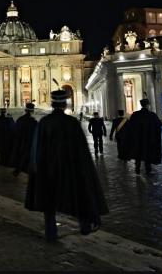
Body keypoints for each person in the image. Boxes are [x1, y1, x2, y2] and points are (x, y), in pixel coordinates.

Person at [25, 89, 108, 241]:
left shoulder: (44, 123)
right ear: (65, 104)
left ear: (52, 104)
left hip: (48, 168)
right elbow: (82, 149)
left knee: (49, 200)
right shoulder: (72, 123)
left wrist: (34, 166)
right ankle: (84, 226)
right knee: (78, 194)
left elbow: (36, 148)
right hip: (70, 167)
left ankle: (51, 233)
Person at [123, 98, 162, 176]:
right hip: (149, 139)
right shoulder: (152, 115)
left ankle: (137, 169)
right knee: (148, 154)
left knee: (138, 154)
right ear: (147, 105)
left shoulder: (135, 114)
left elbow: (130, 127)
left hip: (137, 139)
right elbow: (159, 126)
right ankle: (148, 170)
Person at [10, 102, 38, 175]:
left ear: (25, 110)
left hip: (20, 141)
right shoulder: (33, 122)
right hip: (29, 142)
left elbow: (15, 130)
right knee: (28, 156)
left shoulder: (20, 119)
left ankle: (18, 169)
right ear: (32, 111)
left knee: (20, 155)